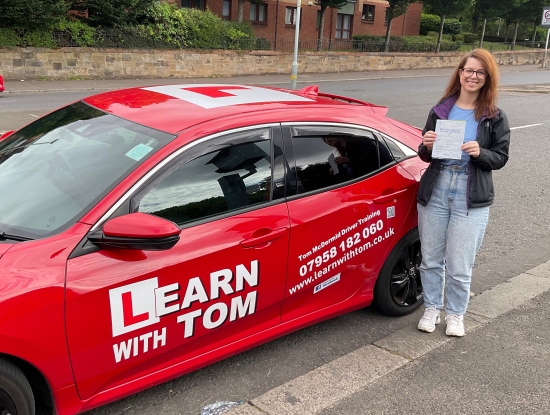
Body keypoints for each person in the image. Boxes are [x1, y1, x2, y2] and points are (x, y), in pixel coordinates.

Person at [416, 49, 511, 337]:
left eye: (480, 72)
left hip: (470, 194)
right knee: (430, 258)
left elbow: (501, 157)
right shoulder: (440, 110)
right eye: (468, 70)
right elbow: (423, 153)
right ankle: (432, 307)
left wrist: (481, 152)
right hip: (438, 186)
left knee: (460, 263)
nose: (473, 76)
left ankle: (456, 314)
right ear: (460, 73)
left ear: (487, 78)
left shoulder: (494, 116)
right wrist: (428, 146)